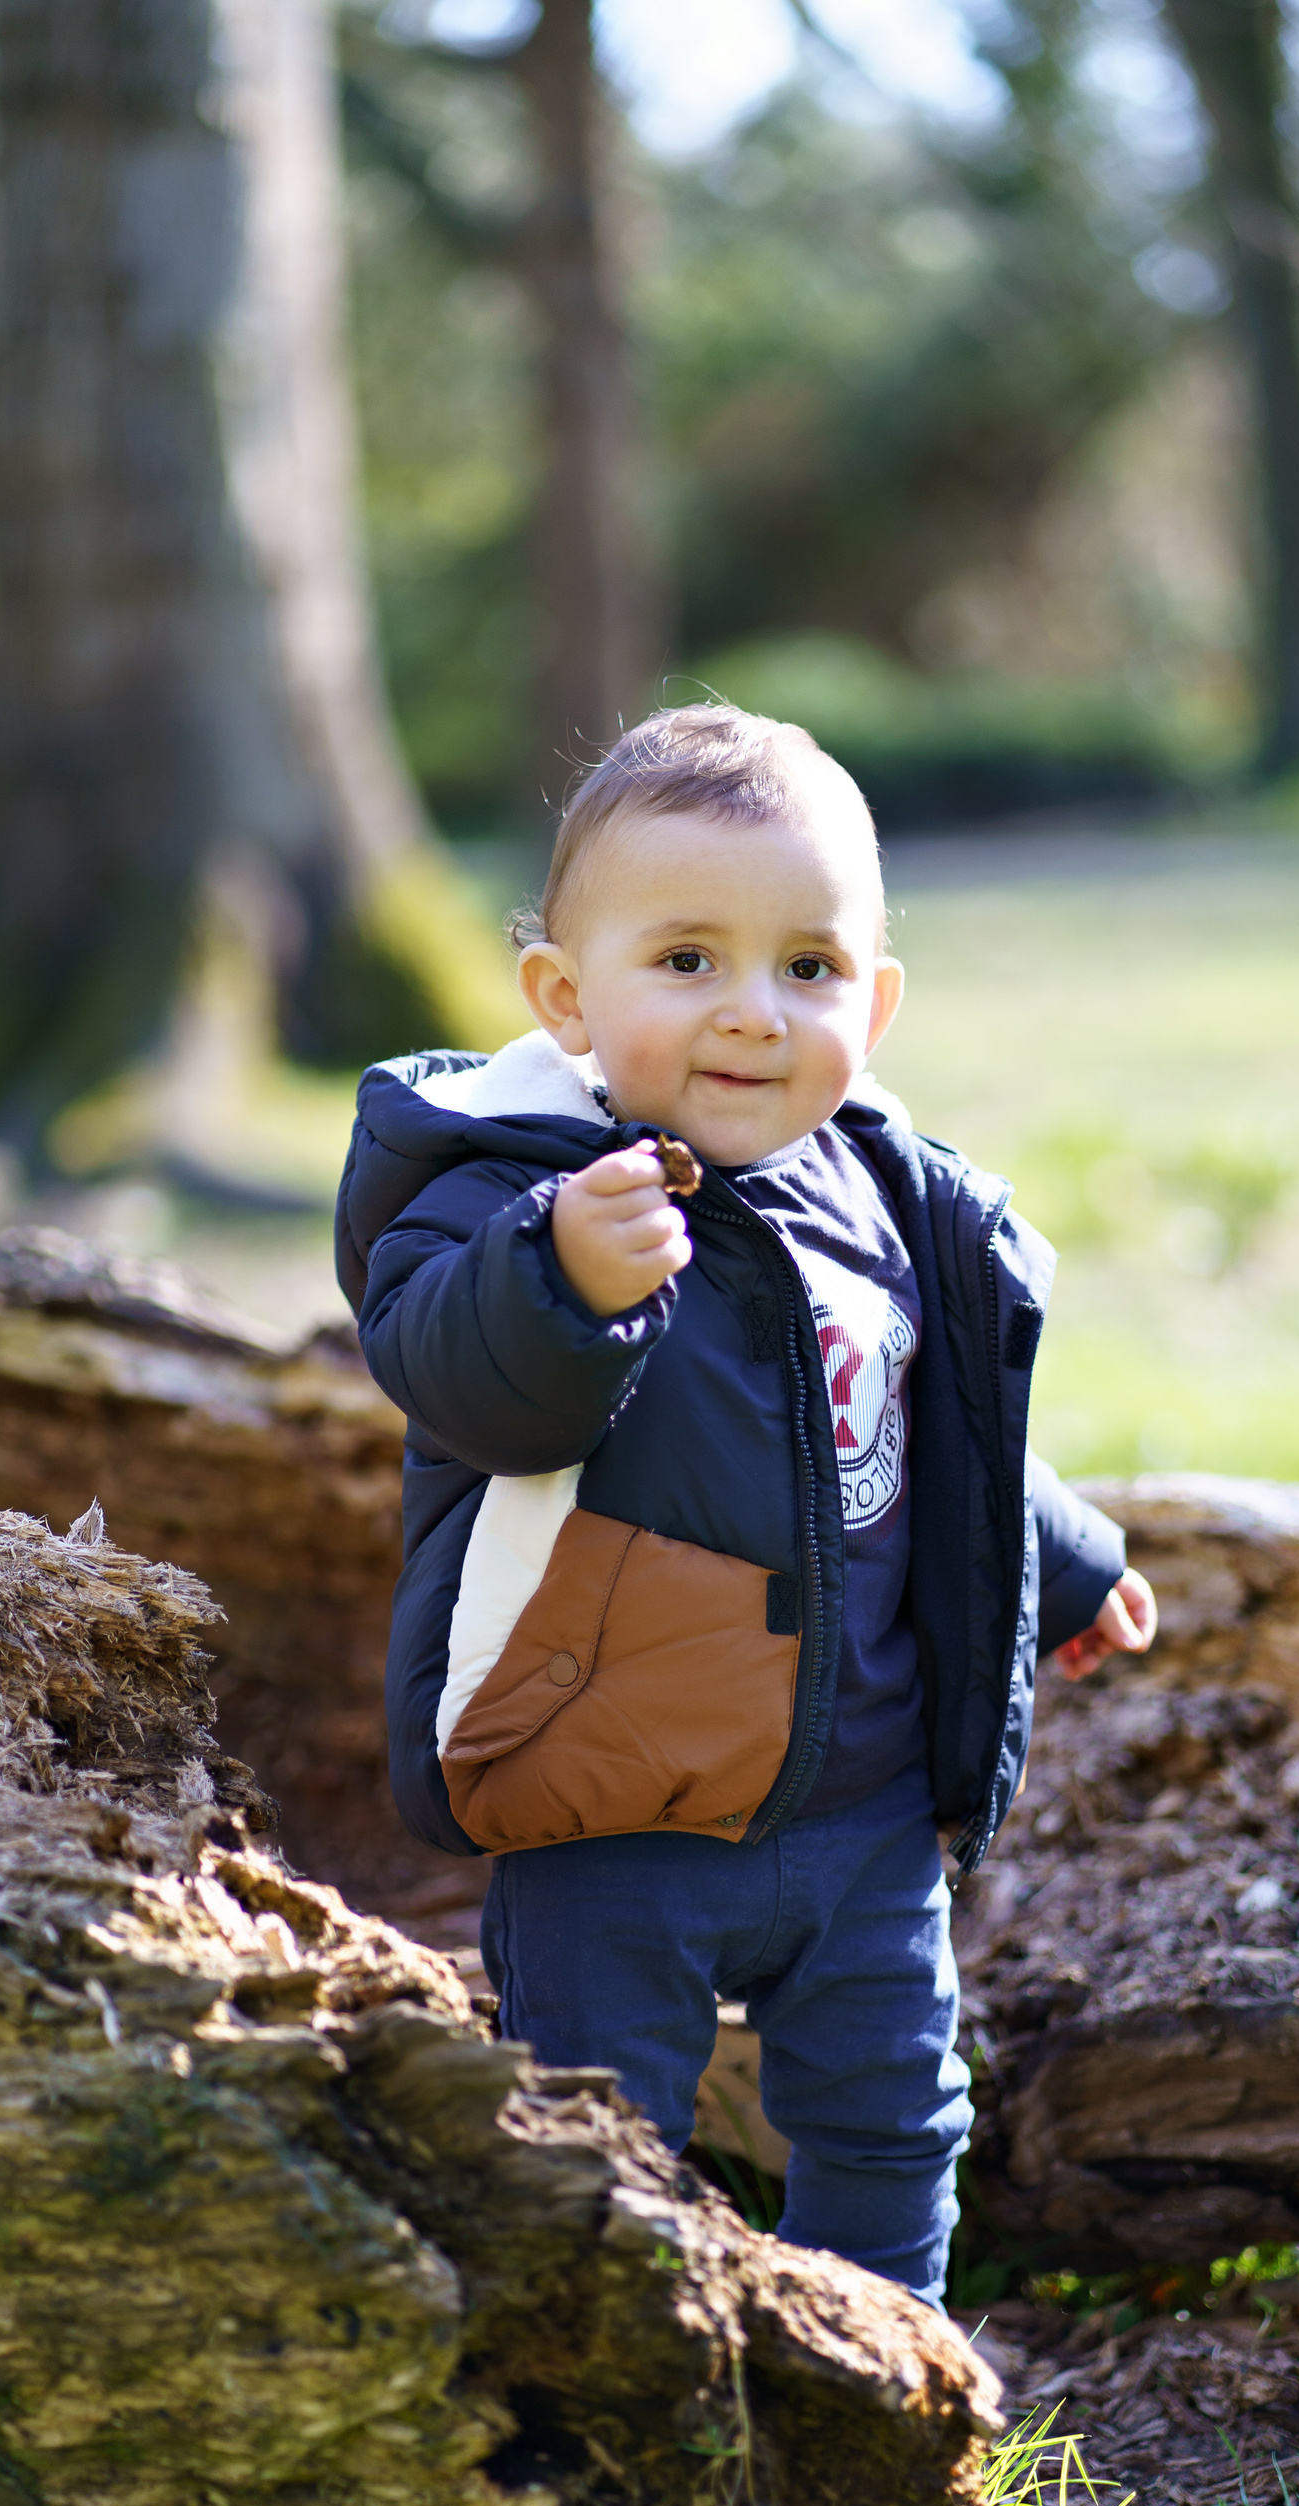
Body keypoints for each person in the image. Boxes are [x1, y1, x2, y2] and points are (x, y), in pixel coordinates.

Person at [336, 704, 1156, 2309]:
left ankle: (882, 2367)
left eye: (809, 967)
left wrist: (1058, 1560)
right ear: (565, 997)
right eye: (687, 960)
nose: (753, 1013)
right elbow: (460, 1386)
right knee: (598, 2141)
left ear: (877, 1002)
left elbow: (930, 1427)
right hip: (605, 1799)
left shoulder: (887, 1198)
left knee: (895, 2116)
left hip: (862, 1800)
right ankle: (615, 2386)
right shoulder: (510, 1185)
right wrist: (559, 1279)